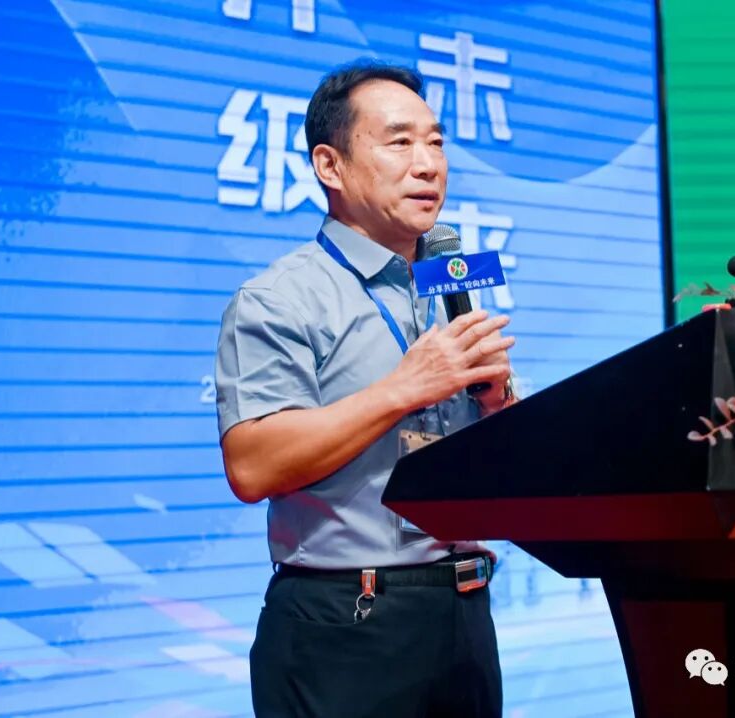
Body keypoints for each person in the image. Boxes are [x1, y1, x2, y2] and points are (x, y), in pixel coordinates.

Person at [214, 61, 516, 718]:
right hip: (345, 624)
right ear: (330, 165)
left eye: (435, 143)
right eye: (399, 142)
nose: (428, 164)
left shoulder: (451, 284)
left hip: (465, 613)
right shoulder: (279, 298)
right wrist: (403, 389)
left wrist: (499, 406)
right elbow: (252, 465)